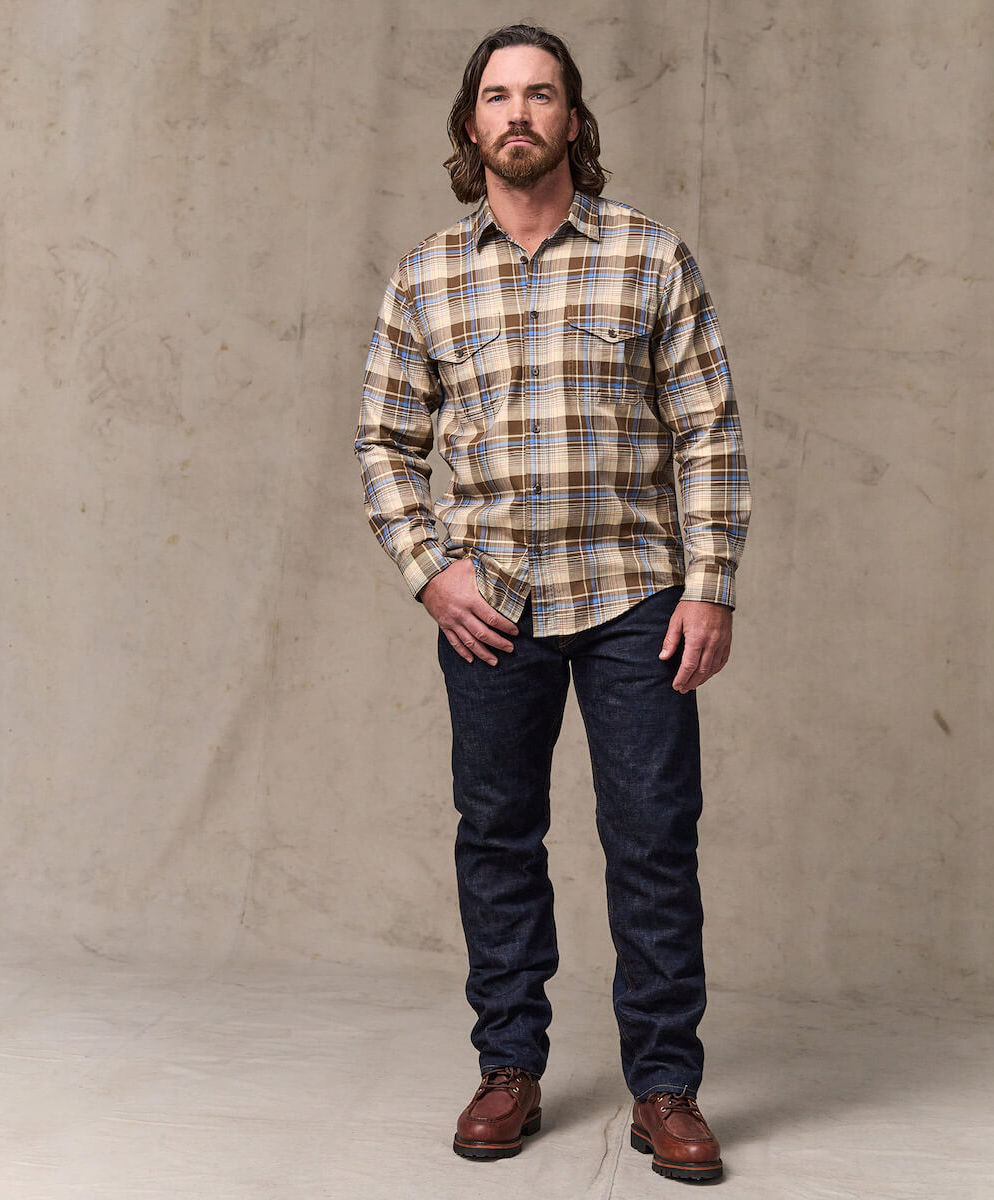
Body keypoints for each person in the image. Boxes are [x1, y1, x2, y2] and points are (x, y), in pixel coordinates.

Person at [354, 23, 749, 1184]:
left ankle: (665, 1088)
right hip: (494, 605)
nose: (518, 113)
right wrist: (432, 568)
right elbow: (383, 442)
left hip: (637, 594)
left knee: (652, 843)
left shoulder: (648, 258)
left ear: (575, 119)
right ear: (471, 128)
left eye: (540, 95)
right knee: (497, 838)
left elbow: (708, 431)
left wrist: (712, 585)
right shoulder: (426, 278)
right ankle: (509, 1068)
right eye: (496, 96)